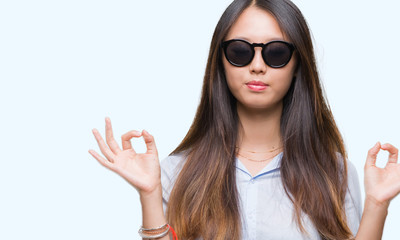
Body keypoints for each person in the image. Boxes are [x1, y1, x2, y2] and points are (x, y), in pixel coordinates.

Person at [88, 0, 400, 239]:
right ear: (221, 62)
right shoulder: (175, 172)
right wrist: (150, 194)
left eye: (276, 53)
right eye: (240, 51)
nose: (257, 66)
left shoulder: (334, 172)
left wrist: (376, 204)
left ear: (297, 66)